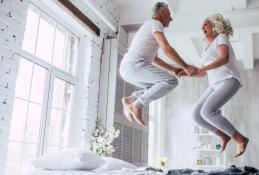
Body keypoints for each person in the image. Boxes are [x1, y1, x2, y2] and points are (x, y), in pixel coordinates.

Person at [178, 14, 249, 157]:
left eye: (205, 24)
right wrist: (188, 73)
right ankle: (224, 135)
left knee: (207, 111)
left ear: (214, 26)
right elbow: (203, 73)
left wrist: (203, 69)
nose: (202, 27)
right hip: (214, 83)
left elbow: (224, 58)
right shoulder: (205, 49)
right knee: (196, 115)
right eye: (202, 26)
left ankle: (240, 139)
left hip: (229, 80)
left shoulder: (221, 37)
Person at [120, 2, 196, 127]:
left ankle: (131, 99)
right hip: (134, 66)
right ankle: (137, 105)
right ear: (161, 12)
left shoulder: (149, 26)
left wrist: (174, 69)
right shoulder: (155, 23)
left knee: (156, 86)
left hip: (128, 68)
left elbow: (155, 60)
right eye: (169, 14)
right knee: (171, 81)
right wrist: (185, 67)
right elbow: (167, 49)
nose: (171, 18)